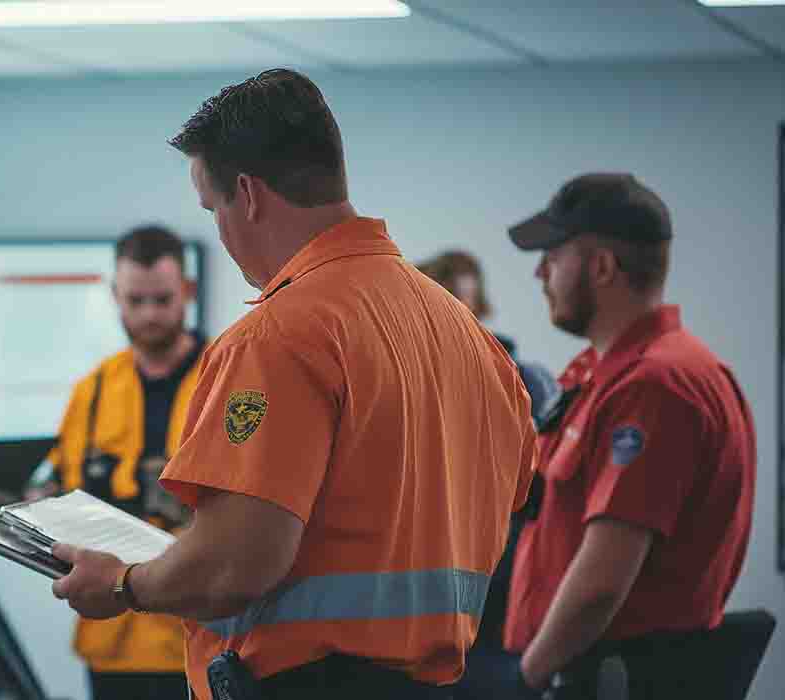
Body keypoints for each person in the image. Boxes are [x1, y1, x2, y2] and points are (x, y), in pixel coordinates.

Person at [50, 68, 536, 700]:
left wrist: (122, 585)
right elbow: (510, 491)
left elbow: (237, 562)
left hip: (307, 682)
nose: (221, 233)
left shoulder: (282, 335)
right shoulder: (463, 330)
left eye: (212, 207)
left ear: (247, 195)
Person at [503, 174, 756, 700]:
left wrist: (525, 680)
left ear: (600, 266)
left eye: (553, 255)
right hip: (594, 670)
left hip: (607, 677)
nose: (539, 273)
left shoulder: (653, 386)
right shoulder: (614, 375)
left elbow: (601, 584)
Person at [45, 225, 203, 700]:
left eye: (162, 299)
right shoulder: (90, 391)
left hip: (200, 637)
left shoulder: (229, 378)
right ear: (114, 294)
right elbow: (64, 483)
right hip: (110, 638)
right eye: (135, 301)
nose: (150, 314)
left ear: (187, 292)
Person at [418, 250, 558, 700]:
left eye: (467, 309)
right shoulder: (413, 388)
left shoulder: (527, 384)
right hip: (432, 611)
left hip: (502, 605)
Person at [420, 250, 559, 415]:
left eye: (460, 299)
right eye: (439, 302)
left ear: (477, 305)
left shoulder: (529, 382)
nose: (451, 313)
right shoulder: (402, 377)